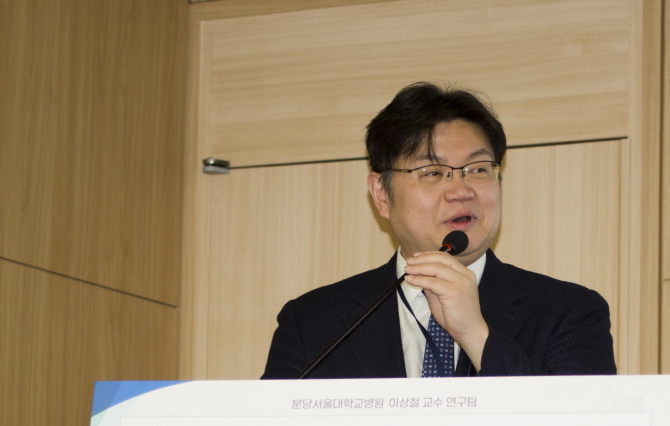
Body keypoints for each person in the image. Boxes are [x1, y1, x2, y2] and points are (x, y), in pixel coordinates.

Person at [262, 82, 616, 379]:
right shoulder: (312, 322)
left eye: (478, 169)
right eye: (433, 173)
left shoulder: (570, 313)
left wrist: (476, 335)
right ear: (382, 194)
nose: (461, 191)